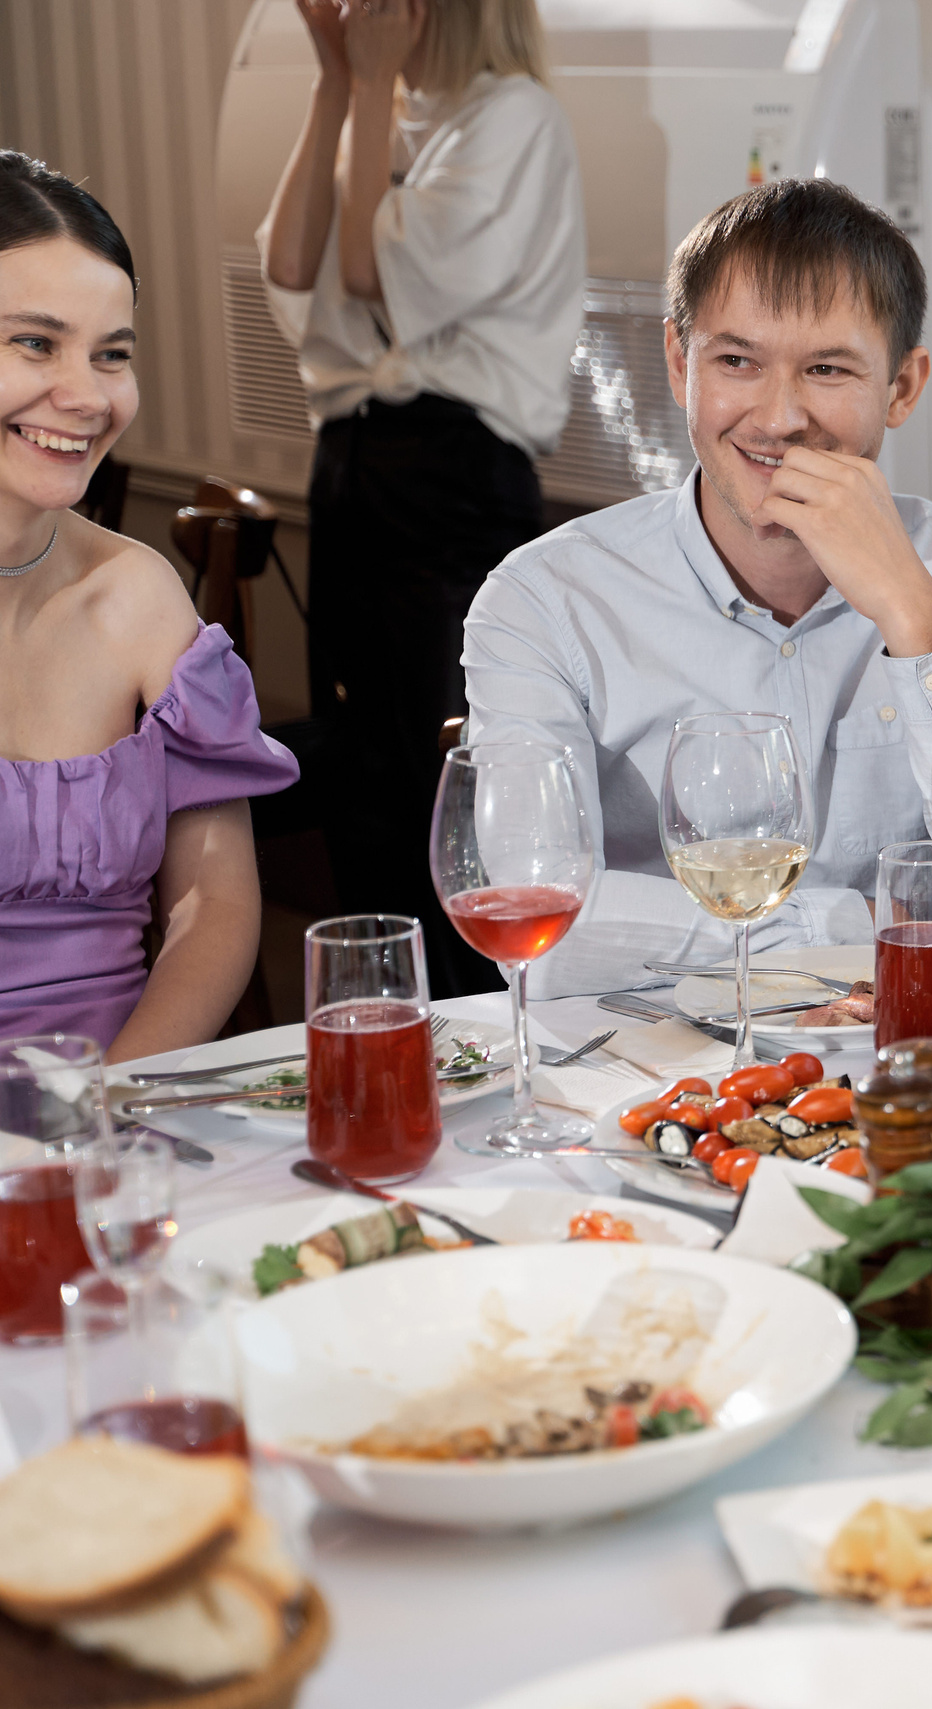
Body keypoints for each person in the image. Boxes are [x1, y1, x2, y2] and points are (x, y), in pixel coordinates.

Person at [462, 178, 932, 996]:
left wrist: (917, 619)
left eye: (826, 368)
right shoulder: (544, 600)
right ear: (682, 363)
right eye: (738, 361)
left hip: (906, 1061)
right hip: (650, 1070)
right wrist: (859, 925)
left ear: (902, 388)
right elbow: (540, 928)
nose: (779, 418)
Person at [258, 0, 583, 994]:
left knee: (444, 779)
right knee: (365, 771)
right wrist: (332, 84)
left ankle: (473, 1024)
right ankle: (385, 1021)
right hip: (354, 463)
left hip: (453, 476)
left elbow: (370, 275)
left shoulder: (514, 117)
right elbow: (288, 261)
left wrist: (362, 84)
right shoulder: (388, 113)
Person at [0, 154, 297, 1058]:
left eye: (112, 354)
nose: (87, 396)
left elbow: (216, 904)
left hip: (123, 1109)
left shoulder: (135, 598)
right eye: (36, 343)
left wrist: (106, 1110)